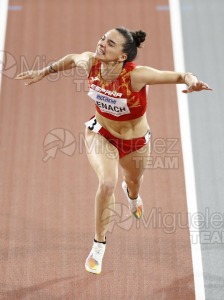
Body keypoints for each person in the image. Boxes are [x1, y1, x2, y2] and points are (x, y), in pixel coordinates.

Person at [16, 27, 212, 275]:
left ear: (121, 56)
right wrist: (43, 72)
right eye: (102, 38)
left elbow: (180, 75)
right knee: (107, 182)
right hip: (102, 133)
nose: (101, 44)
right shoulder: (90, 62)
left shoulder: (137, 76)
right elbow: (70, 58)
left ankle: (132, 197)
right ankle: (99, 244)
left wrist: (192, 81)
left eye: (110, 43)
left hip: (135, 141)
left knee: (134, 182)